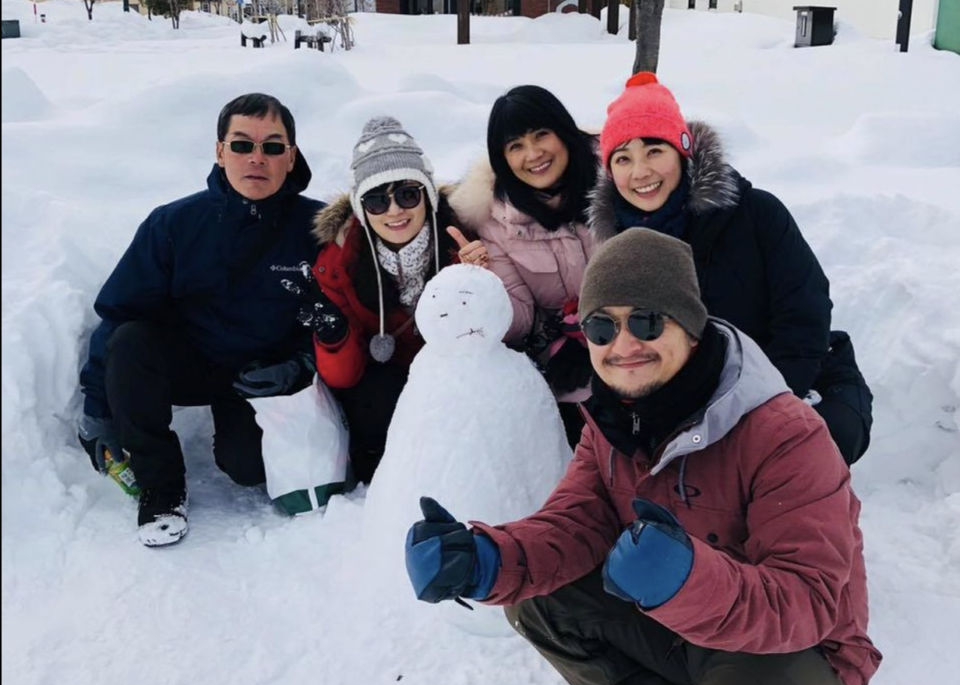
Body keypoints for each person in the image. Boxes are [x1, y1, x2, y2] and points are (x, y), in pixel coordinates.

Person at [403, 229, 881, 685]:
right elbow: (576, 525)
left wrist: (686, 579)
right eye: (602, 328)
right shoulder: (614, 419)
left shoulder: (784, 433)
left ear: (692, 327)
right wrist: (487, 558)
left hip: (796, 651)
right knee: (539, 601)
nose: (624, 344)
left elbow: (808, 602)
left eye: (648, 321)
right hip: (678, 618)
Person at [77, 93, 324, 547]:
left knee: (249, 469)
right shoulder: (173, 223)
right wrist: (97, 408)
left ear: (290, 157)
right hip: (189, 362)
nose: (256, 158)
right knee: (132, 342)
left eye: (272, 147)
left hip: (259, 377)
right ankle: (161, 485)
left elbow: (339, 316)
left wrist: (299, 364)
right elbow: (120, 312)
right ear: (218, 151)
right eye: (241, 145)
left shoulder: (319, 227)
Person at [588, 72, 872, 465]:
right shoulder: (615, 245)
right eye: (623, 158)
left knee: (805, 449)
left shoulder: (756, 215)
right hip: (685, 390)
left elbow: (803, 317)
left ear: (683, 151)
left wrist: (762, 407)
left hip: (789, 376)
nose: (640, 172)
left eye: (654, 150)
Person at [305, 116, 464, 485]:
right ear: (361, 209)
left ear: (428, 196)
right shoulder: (339, 262)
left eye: (408, 194)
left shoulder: (461, 244)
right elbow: (345, 377)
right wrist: (333, 337)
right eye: (377, 200)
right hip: (384, 389)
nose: (394, 211)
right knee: (376, 393)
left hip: (448, 380)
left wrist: (478, 283)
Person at [448, 85, 602, 446]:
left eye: (541, 135)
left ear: (563, 131)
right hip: (565, 368)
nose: (533, 154)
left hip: (634, 346)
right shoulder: (496, 223)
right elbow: (520, 321)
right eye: (515, 146)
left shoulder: (614, 181)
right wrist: (485, 287)